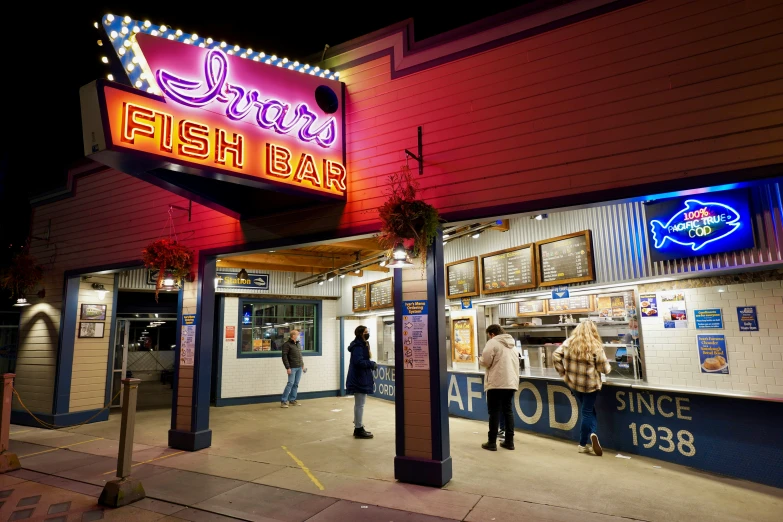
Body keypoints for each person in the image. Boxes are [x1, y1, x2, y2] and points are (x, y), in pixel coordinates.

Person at [553, 321, 612, 456]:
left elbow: (555, 355)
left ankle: (587, 440)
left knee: (589, 411)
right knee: (587, 412)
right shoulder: (595, 346)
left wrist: (563, 373)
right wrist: (608, 367)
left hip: (574, 384)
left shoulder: (569, 342)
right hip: (590, 385)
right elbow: (604, 369)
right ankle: (585, 441)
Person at [479, 324, 520, 451]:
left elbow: (485, 362)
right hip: (511, 383)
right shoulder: (513, 345)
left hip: (496, 382)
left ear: (492, 334)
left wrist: (480, 359)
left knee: (494, 412)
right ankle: (509, 441)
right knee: (508, 411)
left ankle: (491, 442)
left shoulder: (493, 343)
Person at [346, 325, 376, 439]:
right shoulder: (358, 346)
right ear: (360, 334)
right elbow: (359, 361)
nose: (367, 334)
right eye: (365, 332)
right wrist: (371, 364)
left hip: (360, 377)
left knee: (359, 404)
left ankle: (358, 426)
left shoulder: (360, 345)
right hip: (359, 378)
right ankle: (358, 429)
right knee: (360, 405)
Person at [281, 330, 305, 408]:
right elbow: (284, 357)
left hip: (299, 367)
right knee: (290, 383)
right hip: (292, 367)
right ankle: (284, 401)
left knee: (296, 384)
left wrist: (302, 365)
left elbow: (300, 355)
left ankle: (292, 400)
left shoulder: (298, 344)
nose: (299, 336)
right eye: (298, 334)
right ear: (293, 336)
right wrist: (288, 367)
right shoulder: (287, 345)